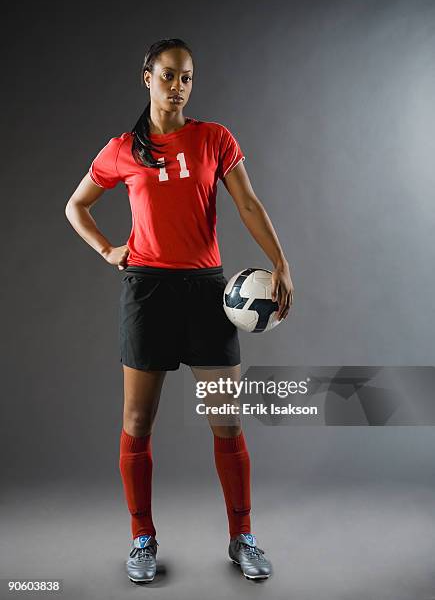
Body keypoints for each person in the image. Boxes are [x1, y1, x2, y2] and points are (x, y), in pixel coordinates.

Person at [65, 37, 294, 583]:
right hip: (148, 294)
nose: (178, 86)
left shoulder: (214, 138)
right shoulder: (122, 148)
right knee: (138, 423)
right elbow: (76, 206)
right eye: (168, 75)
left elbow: (247, 202)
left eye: (186, 77)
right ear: (146, 76)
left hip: (207, 296)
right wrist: (107, 249)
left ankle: (243, 537)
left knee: (227, 420)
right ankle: (141, 539)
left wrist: (280, 263)